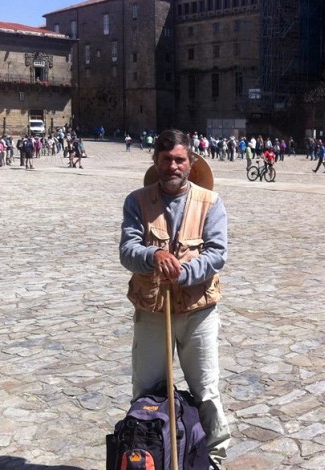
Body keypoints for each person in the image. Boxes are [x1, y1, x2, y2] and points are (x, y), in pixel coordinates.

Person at [119, 129, 230, 468]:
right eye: (166, 160)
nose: (173, 166)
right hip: (153, 312)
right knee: (147, 390)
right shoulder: (137, 201)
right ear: (156, 161)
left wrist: (184, 271)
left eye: (180, 159)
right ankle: (150, 454)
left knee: (207, 392)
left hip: (199, 312)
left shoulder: (210, 203)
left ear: (191, 162)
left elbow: (217, 254)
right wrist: (153, 256)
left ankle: (212, 460)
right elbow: (127, 250)